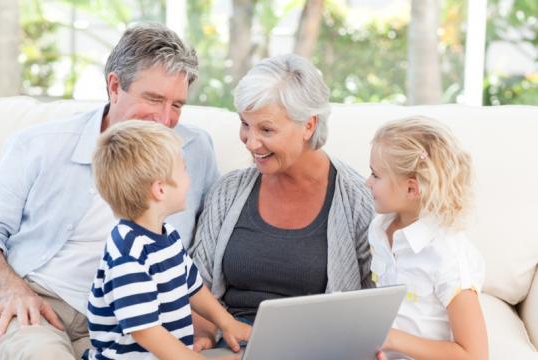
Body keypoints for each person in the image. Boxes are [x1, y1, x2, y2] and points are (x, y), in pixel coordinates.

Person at [0, 23, 219, 359]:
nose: (164, 118)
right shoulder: (39, 146)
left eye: (177, 105)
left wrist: (204, 317)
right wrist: (10, 289)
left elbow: (205, 246)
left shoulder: (194, 149)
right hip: (41, 304)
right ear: (114, 86)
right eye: (154, 99)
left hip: (137, 320)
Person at [189, 53, 376, 349]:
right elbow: (199, 283)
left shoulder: (357, 199)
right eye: (245, 125)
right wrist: (203, 337)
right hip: (233, 349)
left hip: (316, 350)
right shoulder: (228, 191)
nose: (251, 142)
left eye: (266, 129)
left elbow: (374, 299)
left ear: (309, 125)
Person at [84, 120, 249, 360]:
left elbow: (192, 287)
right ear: (160, 189)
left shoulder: (167, 236)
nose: (189, 179)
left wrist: (227, 323)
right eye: (183, 169)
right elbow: (146, 331)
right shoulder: (128, 253)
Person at [366, 117, 488, 360]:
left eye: (375, 175)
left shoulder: (448, 255)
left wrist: (392, 339)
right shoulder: (379, 230)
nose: (366, 182)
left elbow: (475, 355)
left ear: (411, 189)